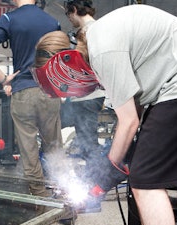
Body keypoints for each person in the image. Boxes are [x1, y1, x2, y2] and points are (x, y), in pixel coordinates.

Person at [32, 4, 177, 225]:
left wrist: (107, 170)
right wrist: (117, 155)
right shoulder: (99, 43)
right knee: (140, 172)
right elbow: (132, 108)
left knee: (145, 180)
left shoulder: (102, 50)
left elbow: (129, 121)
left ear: (66, 63)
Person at [0, 0, 63, 200]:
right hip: (49, 91)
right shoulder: (52, 22)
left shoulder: (10, 18)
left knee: (28, 150)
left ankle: (40, 201)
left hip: (23, 91)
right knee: (55, 148)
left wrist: (3, 78)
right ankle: (63, 201)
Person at [61, 0, 106, 194]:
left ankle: (96, 184)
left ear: (73, 10)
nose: (69, 20)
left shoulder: (90, 31)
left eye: (68, 15)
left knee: (89, 142)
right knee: (86, 139)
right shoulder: (96, 29)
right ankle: (91, 179)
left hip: (89, 95)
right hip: (86, 96)